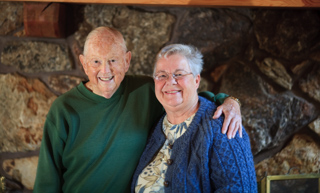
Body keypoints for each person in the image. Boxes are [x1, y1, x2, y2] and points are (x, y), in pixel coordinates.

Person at [33, 27, 243, 193]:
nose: (105, 70)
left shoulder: (146, 90)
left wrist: (230, 101)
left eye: (113, 60)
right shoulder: (64, 109)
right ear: (84, 64)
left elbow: (187, 98)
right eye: (96, 61)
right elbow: (46, 183)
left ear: (127, 61)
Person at [131, 44, 257, 192]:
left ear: (196, 80)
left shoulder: (224, 126)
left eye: (179, 74)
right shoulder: (156, 127)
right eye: (162, 75)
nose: (170, 81)